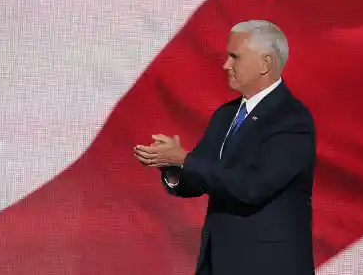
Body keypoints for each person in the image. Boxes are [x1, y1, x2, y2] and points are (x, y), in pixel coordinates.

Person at [134, 20, 316, 275]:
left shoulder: (291, 120)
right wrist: (174, 169)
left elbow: (253, 186)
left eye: (235, 57)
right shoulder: (225, 115)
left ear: (266, 63)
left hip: (268, 266)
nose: (226, 65)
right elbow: (201, 178)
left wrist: (185, 159)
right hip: (217, 262)